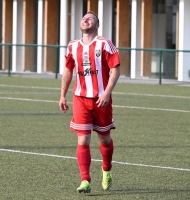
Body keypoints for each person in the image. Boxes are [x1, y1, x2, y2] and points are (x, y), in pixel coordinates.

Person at [59, 11, 120, 193]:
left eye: (90, 18)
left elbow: (115, 70)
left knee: (104, 138)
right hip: (80, 98)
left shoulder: (105, 43)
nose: (86, 19)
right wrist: (62, 94)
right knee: (83, 139)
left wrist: (107, 93)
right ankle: (85, 180)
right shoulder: (72, 46)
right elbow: (68, 70)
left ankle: (107, 170)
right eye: (84, 18)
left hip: (101, 99)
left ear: (97, 25)